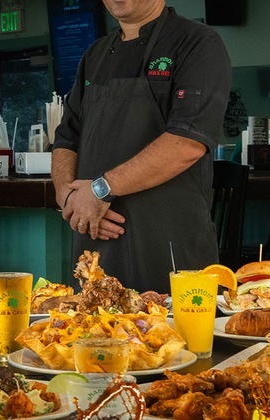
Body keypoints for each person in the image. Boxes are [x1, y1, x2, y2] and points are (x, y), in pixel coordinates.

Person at [51, 0, 231, 293]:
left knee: (174, 337)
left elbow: (188, 142)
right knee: (89, 334)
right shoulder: (94, 55)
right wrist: (68, 199)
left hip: (166, 240)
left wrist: (99, 190)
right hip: (96, 243)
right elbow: (66, 138)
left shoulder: (197, 43)